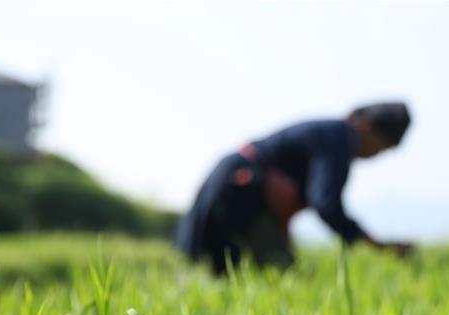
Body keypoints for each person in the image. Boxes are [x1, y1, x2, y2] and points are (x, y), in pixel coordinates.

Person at [175, 102, 415, 274]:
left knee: (222, 274)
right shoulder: (339, 140)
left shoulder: (332, 134)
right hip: (240, 190)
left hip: (235, 185)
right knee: (277, 275)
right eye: (381, 147)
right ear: (366, 127)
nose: (376, 155)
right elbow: (326, 203)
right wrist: (376, 245)